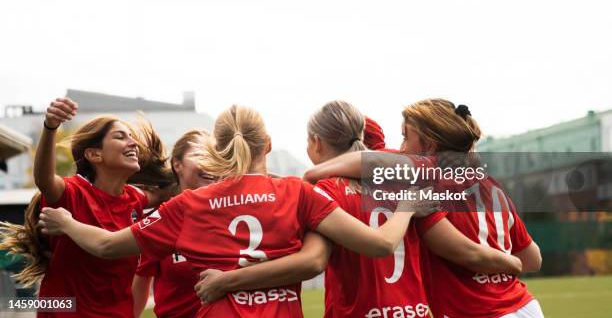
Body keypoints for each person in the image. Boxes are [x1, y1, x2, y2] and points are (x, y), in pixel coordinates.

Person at [37, 104, 433, 317]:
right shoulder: (297, 192)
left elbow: (106, 246)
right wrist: (406, 207)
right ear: (269, 144)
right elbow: (379, 245)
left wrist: (68, 223)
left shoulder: (188, 204)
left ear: (218, 149)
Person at [193, 101, 522, 318]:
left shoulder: (324, 191)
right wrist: (506, 260)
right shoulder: (407, 184)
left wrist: (228, 280)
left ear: (317, 144)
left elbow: (312, 261)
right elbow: (456, 243)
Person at [303, 98, 544, 318]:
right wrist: (507, 263)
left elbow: (372, 160)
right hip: (525, 306)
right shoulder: (491, 185)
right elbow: (533, 259)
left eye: (406, 137)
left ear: (429, 145)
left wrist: (313, 174)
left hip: (474, 311)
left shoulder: (429, 175)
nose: (402, 148)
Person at [0, 97, 174, 318]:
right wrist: (50, 125)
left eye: (131, 137)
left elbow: (173, 190)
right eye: (120, 137)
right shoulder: (73, 192)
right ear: (94, 155)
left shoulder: (135, 198)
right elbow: (43, 178)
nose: (133, 143)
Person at [132, 129, 218, 318]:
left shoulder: (233, 213)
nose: (209, 162)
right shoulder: (159, 220)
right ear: (177, 165)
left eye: (214, 155)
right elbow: (140, 286)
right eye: (199, 154)